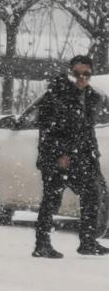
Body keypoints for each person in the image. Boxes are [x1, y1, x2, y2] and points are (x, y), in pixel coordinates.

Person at [33, 54, 109, 258]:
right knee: (51, 198)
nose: (81, 78)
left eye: (86, 74)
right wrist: (59, 154)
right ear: (69, 73)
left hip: (83, 155)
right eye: (77, 74)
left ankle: (88, 241)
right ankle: (42, 244)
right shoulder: (55, 95)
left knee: (92, 195)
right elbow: (47, 130)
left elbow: (87, 129)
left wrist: (93, 153)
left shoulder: (92, 97)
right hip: (57, 156)